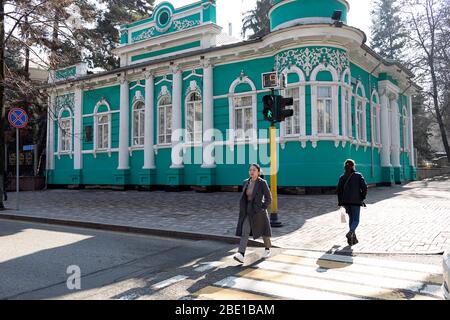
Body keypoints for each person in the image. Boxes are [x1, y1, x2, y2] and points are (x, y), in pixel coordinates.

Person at [234, 164, 273, 264]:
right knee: (245, 231)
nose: (252, 172)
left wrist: (262, 208)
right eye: (250, 170)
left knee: (264, 231)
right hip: (248, 211)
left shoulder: (262, 183)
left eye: (254, 170)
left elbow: (269, 198)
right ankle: (241, 254)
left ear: (258, 172)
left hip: (259, 212)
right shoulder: (245, 182)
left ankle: (267, 248)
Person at [337, 159, 368, 246]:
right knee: (356, 220)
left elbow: (339, 191)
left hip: (346, 202)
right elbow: (365, 188)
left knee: (351, 218)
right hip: (356, 201)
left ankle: (351, 238)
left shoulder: (342, 177)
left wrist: (340, 202)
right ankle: (351, 232)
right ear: (353, 166)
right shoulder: (358, 175)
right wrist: (362, 197)